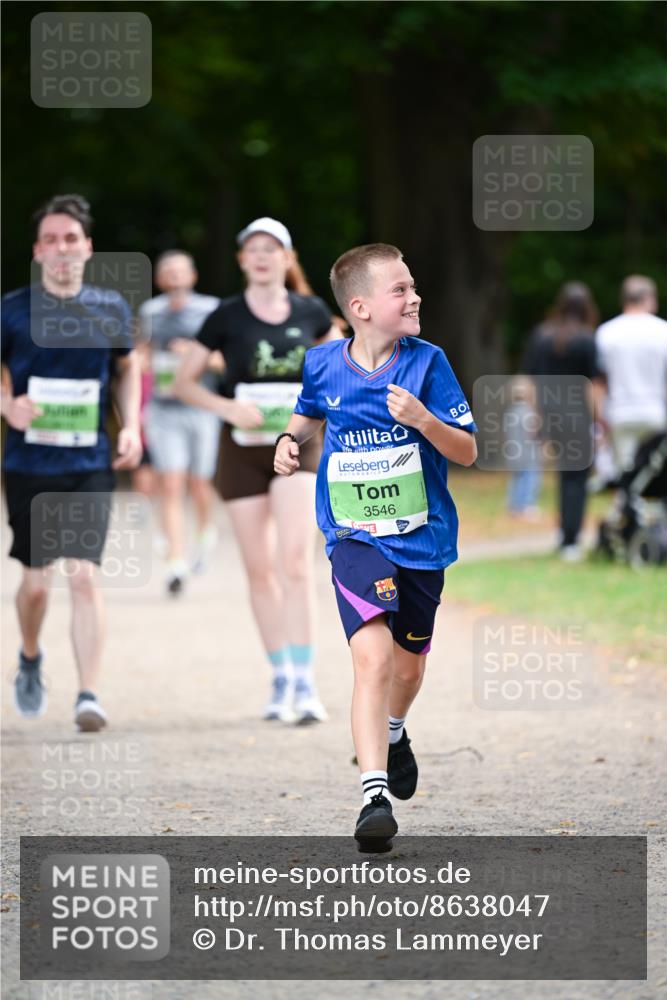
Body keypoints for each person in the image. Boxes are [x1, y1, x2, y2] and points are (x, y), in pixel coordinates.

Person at [274, 243, 477, 851]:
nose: (414, 297)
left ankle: (394, 730)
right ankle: (373, 796)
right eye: (400, 290)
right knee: (373, 660)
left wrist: (423, 420)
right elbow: (309, 411)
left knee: (408, 668)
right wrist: (289, 438)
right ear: (360, 307)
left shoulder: (428, 363)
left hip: (422, 539)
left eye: (413, 287)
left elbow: (466, 451)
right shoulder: (321, 363)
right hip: (353, 534)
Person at [174, 217, 339, 724]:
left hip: (298, 445)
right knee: (259, 569)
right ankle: (280, 674)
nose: (263, 257)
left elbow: (346, 368)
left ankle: (308, 681)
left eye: (273, 249)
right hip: (242, 450)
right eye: (253, 249)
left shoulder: (312, 312)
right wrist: (226, 410)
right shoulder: (225, 315)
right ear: (242, 259)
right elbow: (185, 383)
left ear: (288, 258)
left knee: (294, 563)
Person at [1, 194, 142, 731]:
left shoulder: (109, 308)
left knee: (83, 577)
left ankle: (88, 694)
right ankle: (31, 656)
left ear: (88, 248)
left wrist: (130, 424)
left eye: (71, 240)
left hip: (89, 463)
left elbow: (128, 368)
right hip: (28, 464)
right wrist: (7, 404)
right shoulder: (13, 308)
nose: (62, 249)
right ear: (38, 251)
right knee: (36, 585)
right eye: (51, 241)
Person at [139, 251, 222, 594]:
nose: (173, 276)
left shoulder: (211, 309)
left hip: (201, 407)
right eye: (167, 271)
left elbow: (224, 361)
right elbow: (141, 356)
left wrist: (193, 354)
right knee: (170, 483)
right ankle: (176, 563)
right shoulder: (151, 312)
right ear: (159, 280)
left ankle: (205, 529)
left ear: (193, 275)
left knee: (199, 483)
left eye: (179, 270)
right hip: (164, 408)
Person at [522, 282, 604, 562]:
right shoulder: (587, 339)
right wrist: (599, 420)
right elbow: (590, 387)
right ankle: (571, 538)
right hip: (577, 417)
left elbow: (530, 382)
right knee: (577, 478)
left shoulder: (541, 336)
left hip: (549, 415)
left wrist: (536, 417)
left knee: (563, 474)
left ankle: (563, 534)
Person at [596, 275, 667, 474]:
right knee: (653, 474)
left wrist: (599, 414)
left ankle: (626, 503)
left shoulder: (606, 332)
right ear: (648, 298)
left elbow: (600, 380)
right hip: (656, 412)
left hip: (619, 412)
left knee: (625, 473)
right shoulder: (663, 330)